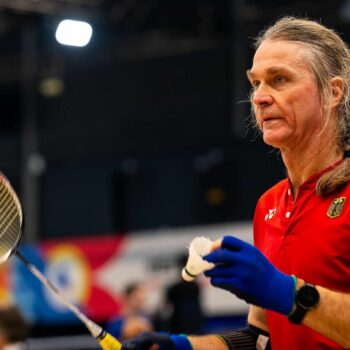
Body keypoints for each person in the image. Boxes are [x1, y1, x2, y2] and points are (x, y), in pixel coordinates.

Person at [120, 16, 350, 349]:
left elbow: (287, 298)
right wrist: (182, 347)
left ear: (332, 92)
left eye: (279, 79)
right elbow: (258, 340)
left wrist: (287, 293)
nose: (259, 97)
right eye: (256, 83)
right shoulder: (269, 206)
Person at [163, 254, 205, 335]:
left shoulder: (193, 288)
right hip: (183, 328)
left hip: (187, 328)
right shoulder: (177, 289)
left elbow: (165, 308)